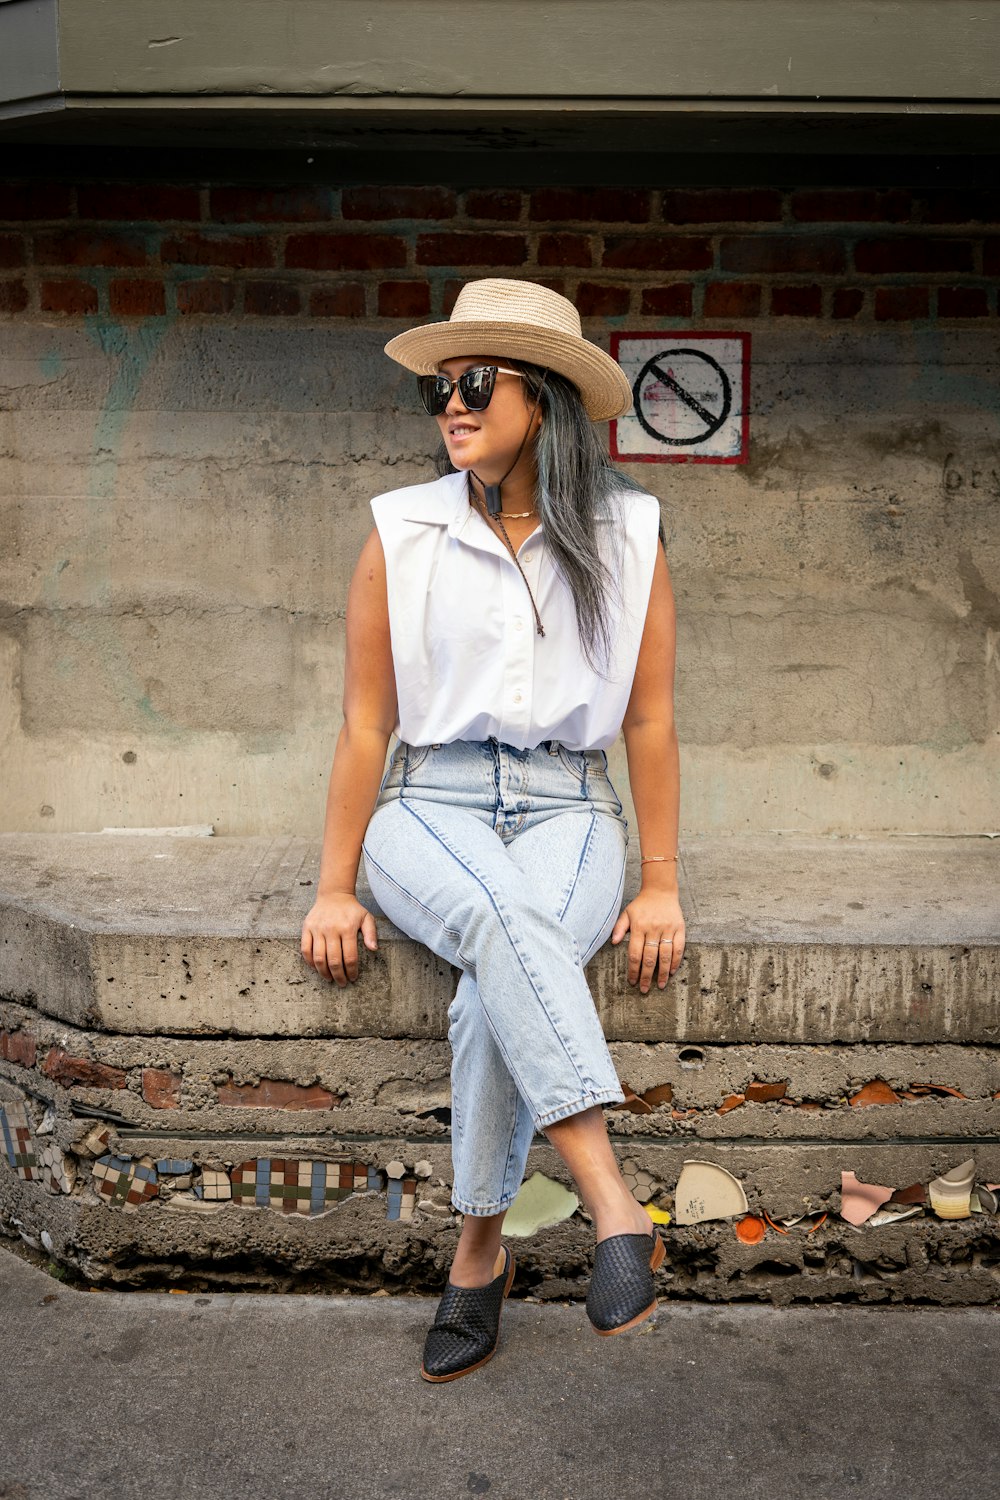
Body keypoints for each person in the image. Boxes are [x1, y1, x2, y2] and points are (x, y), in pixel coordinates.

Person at [300, 278, 685, 1382]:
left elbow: (650, 720)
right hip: (429, 806)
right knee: (508, 922)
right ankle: (613, 1201)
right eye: (439, 388)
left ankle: (477, 1252)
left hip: (571, 807)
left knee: (490, 981)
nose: (450, 407)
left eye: (475, 383)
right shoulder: (400, 530)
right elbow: (364, 723)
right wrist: (335, 885)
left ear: (547, 399)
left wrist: (656, 881)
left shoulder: (628, 531)